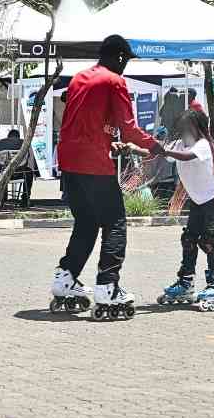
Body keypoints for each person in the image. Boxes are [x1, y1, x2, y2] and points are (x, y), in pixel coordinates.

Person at [49, 34, 163, 320]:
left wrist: (105, 140)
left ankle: (65, 279)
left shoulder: (78, 78)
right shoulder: (114, 81)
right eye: (126, 62)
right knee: (115, 222)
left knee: (86, 222)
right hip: (93, 163)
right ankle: (108, 286)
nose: (126, 68)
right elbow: (130, 128)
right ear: (120, 57)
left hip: (68, 160)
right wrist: (157, 146)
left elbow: (81, 122)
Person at [128, 110, 214, 311]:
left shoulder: (204, 145)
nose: (185, 130)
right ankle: (185, 282)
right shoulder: (179, 144)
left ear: (198, 128)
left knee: (208, 241)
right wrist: (134, 149)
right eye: (183, 126)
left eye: (189, 126)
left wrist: (163, 151)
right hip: (198, 202)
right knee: (188, 239)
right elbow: (155, 153)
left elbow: (186, 157)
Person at [0, 129, 34, 205]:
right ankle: (25, 199)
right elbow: (26, 160)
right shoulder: (23, 143)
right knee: (29, 172)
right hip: (19, 173)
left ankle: (0, 197)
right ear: (18, 137)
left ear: (8, 136)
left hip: (2, 174)